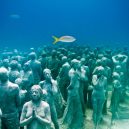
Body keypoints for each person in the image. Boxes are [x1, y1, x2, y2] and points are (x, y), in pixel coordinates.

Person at [62, 59, 83, 129]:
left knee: (72, 106)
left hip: (73, 91)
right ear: (73, 64)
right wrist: (68, 88)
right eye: (77, 64)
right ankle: (69, 123)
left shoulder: (72, 71)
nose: (78, 65)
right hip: (74, 91)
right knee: (72, 106)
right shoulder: (73, 72)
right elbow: (72, 85)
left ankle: (71, 122)